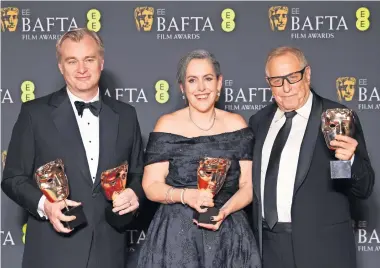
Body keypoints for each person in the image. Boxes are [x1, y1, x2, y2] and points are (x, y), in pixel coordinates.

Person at [1, 28, 144, 268]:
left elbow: (139, 174)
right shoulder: (34, 114)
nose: (81, 69)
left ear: (101, 62)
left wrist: (135, 194)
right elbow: (13, 177)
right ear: (60, 66)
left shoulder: (126, 115)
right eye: (72, 61)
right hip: (52, 250)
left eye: (89, 59)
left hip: (108, 251)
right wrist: (45, 206)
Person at [249, 46, 375, 268]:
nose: (286, 88)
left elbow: (364, 189)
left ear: (307, 75)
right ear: (268, 82)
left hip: (322, 250)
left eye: (292, 78)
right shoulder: (259, 121)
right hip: (269, 249)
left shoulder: (338, 117)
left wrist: (350, 161)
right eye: (277, 80)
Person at [137, 49, 261, 268]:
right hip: (176, 239)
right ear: (182, 88)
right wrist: (186, 196)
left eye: (208, 79)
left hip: (229, 234)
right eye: (192, 80)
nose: (201, 88)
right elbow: (150, 185)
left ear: (219, 83)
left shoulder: (237, 124)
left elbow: (248, 185)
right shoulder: (167, 124)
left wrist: (224, 211)